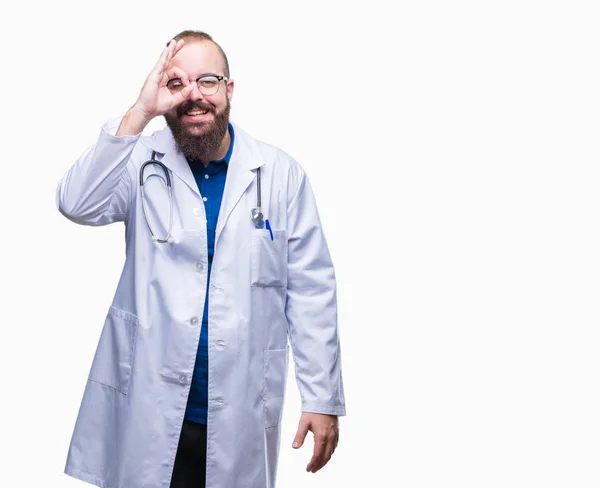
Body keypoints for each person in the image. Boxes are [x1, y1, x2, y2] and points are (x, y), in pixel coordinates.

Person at [56, 30, 346, 488]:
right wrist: (141, 111)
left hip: (239, 405)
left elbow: (311, 292)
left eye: (208, 81)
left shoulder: (280, 175)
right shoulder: (138, 161)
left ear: (229, 90)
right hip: (149, 404)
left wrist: (322, 398)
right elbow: (77, 203)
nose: (194, 96)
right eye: (177, 84)